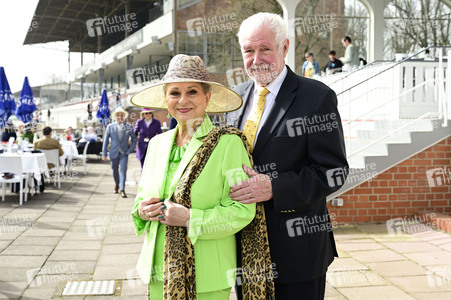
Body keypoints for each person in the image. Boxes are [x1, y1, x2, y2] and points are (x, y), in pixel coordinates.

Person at [130, 54, 274, 299]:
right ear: (166, 99)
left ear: (207, 97)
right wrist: (142, 212)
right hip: (157, 271)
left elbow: (242, 211)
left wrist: (189, 218)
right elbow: (141, 199)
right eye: (174, 93)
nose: (183, 100)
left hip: (207, 275)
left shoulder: (228, 144)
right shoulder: (156, 144)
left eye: (192, 92)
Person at [226, 13, 348, 299]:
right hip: (244, 250)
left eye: (265, 49)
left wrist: (274, 187)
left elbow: (333, 171)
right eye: (248, 51)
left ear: (284, 48)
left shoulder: (317, 98)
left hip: (297, 255)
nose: (256, 59)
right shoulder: (235, 99)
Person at [102, 107, 137, 198]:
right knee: (114, 171)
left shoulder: (128, 127)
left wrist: (130, 150)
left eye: (122, 115)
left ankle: (122, 189)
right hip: (113, 152)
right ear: (115, 117)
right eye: (118, 115)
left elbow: (134, 139)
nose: (120, 117)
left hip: (124, 153)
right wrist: (104, 153)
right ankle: (116, 184)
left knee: (123, 171)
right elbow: (105, 141)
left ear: (124, 116)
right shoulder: (110, 127)